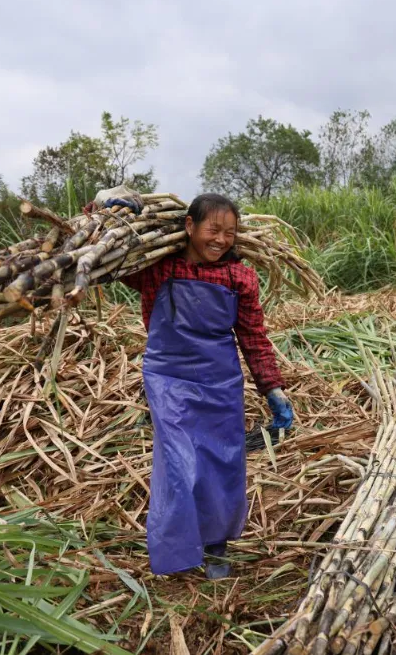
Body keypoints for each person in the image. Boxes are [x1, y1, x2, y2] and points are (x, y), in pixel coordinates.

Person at [115, 192, 294, 580]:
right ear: (189, 226)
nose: (221, 240)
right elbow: (110, 261)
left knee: (221, 465)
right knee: (179, 464)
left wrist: (272, 387)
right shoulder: (157, 268)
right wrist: (112, 212)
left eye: (230, 232)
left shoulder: (239, 277)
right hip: (169, 379)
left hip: (220, 382)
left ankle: (216, 546)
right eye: (213, 230)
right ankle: (178, 549)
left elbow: (253, 336)